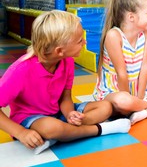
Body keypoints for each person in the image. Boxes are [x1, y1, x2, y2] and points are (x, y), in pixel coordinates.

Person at [0, 10, 131, 154]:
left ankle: (62, 135)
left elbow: (66, 97)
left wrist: (70, 114)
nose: (85, 42)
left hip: (58, 113)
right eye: (80, 40)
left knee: (106, 106)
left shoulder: (67, 61)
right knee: (51, 128)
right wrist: (20, 133)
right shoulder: (20, 70)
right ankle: (100, 129)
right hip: (31, 118)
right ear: (59, 51)